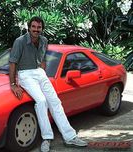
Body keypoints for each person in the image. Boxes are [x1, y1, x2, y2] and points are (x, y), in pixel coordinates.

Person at [9, 16, 87, 152]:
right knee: (41, 101)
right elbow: (13, 63)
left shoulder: (44, 40)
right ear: (29, 28)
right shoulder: (20, 41)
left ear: (42, 29)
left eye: (39, 27)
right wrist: (13, 84)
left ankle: (70, 137)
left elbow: (43, 59)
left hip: (39, 72)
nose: (36, 30)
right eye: (33, 27)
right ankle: (47, 138)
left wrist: (42, 71)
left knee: (55, 102)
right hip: (25, 74)